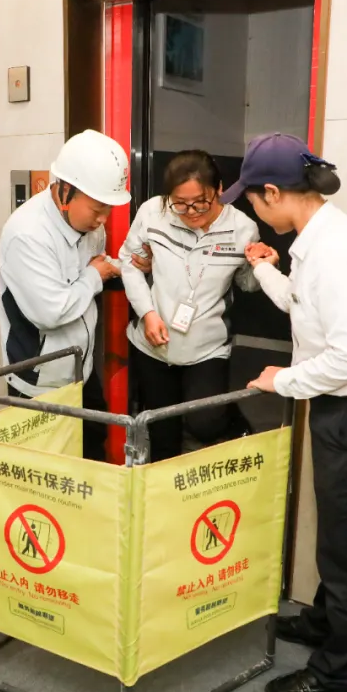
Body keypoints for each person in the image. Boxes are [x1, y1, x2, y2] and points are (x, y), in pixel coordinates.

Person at [223, 133, 347, 692]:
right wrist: (265, 269)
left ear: (273, 192)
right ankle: (326, 624)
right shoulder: (316, 240)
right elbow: (304, 307)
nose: (252, 210)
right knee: (339, 539)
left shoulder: (332, 254)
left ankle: (337, 678)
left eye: (251, 200)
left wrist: (281, 380)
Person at [0, 129, 146, 462]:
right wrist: (95, 275)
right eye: (97, 208)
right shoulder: (28, 235)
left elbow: (90, 269)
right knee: (46, 470)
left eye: (108, 209)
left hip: (81, 369)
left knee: (91, 451)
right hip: (40, 380)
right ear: (65, 190)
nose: (103, 219)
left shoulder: (91, 226)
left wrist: (121, 269)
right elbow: (51, 312)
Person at [119, 150, 260, 461]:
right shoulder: (152, 213)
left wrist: (261, 265)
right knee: (163, 434)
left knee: (205, 423)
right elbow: (129, 264)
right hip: (153, 345)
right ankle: (167, 488)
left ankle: (232, 421)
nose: (191, 212)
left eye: (200, 202)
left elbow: (248, 284)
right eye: (180, 203)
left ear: (219, 189)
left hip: (206, 347)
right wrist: (148, 313)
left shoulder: (242, 229)